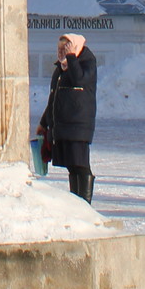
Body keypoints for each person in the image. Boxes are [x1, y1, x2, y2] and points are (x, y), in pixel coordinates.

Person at [36, 32, 98, 204]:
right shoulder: (60, 69)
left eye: (66, 48)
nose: (61, 52)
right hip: (63, 125)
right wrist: (44, 123)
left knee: (81, 165)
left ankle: (85, 204)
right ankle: (77, 204)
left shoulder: (87, 63)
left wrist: (72, 58)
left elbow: (79, 79)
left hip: (79, 125)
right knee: (72, 166)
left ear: (76, 48)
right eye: (59, 48)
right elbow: (54, 98)